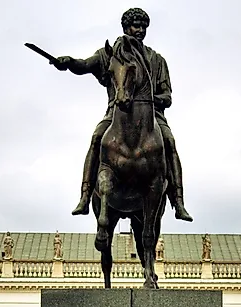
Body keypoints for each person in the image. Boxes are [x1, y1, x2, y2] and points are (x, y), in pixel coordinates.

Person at [51, 8, 192, 221]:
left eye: (144, 27)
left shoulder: (157, 60)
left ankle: (178, 201)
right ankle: (85, 195)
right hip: (115, 114)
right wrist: (68, 62)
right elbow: (84, 65)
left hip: (152, 117)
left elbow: (168, 97)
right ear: (126, 27)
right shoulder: (109, 54)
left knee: (170, 142)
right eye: (136, 26)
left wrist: (151, 99)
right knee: (97, 137)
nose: (141, 30)